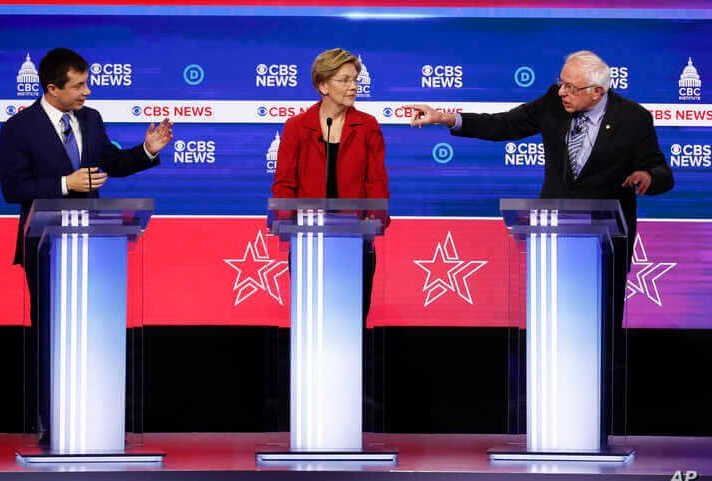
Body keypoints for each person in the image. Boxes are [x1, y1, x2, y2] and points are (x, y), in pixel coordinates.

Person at [407, 50, 674, 435]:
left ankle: (594, 427)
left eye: (571, 87)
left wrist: (648, 178)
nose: (561, 91)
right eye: (561, 82)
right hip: (555, 240)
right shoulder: (553, 103)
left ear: (597, 92)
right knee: (555, 328)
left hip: (606, 245)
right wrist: (448, 118)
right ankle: (552, 422)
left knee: (599, 335)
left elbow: (661, 169)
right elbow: (505, 125)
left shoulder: (633, 118)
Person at [0, 47, 173, 440]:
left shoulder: (90, 120)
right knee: (50, 332)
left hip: (92, 245)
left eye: (87, 83)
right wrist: (65, 184)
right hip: (44, 245)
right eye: (78, 86)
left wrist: (147, 151)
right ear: (52, 88)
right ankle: (52, 423)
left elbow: (111, 162)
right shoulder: (19, 128)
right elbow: (13, 188)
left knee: (94, 329)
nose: (87, 92)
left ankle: (96, 419)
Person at [272, 47, 390, 320]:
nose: (353, 87)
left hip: (356, 240)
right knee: (313, 318)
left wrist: (373, 222)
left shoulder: (367, 126)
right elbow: (285, 183)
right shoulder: (297, 127)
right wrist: (288, 223)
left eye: (355, 80)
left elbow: (377, 182)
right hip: (309, 241)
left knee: (351, 319)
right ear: (323, 85)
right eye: (344, 80)